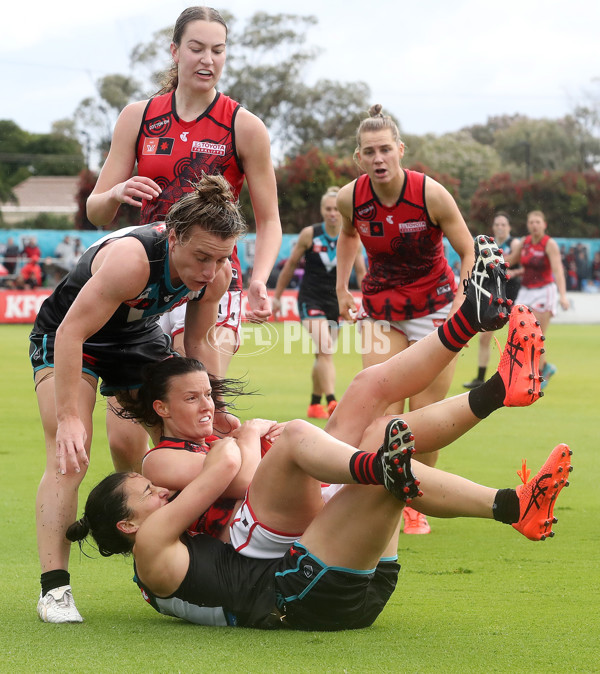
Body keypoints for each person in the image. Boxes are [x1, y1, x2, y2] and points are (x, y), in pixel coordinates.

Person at [66, 313, 571, 630]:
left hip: (340, 579)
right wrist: (241, 432)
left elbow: (229, 474)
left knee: (381, 436)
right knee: (314, 443)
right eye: (148, 493)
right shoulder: (152, 548)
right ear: (128, 525)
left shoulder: (163, 546)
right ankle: (386, 466)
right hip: (303, 592)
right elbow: (226, 470)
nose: (160, 492)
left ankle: (508, 465)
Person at [30, 174, 247, 624]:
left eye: (220, 258)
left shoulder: (217, 274)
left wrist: (214, 406)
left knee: (184, 437)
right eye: (200, 257)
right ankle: (55, 590)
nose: (208, 271)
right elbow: (72, 331)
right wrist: (70, 416)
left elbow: (198, 347)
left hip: (135, 338)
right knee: (71, 453)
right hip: (70, 336)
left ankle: (184, 546)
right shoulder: (132, 260)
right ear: (173, 236)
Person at [86, 5, 282, 369]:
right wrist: (115, 193)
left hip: (213, 280)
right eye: (197, 48)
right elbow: (96, 211)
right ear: (175, 51)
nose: (208, 59)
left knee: (194, 395)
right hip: (146, 278)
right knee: (129, 424)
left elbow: (269, 220)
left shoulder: (245, 126)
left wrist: (260, 280)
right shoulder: (138, 117)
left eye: (218, 50)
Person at [335, 104, 477, 534]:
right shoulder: (350, 198)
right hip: (381, 309)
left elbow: (468, 250)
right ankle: (379, 497)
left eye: (385, 150)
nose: (378, 159)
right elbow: (347, 235)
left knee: (425, 411)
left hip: (436, 308)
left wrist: (461, 306)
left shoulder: (430, 194)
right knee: (380, 408)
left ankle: (414, 500)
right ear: (359, 158)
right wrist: (343, 287)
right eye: (369, 152)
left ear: (399, 150)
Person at [272, 187, 366, 419]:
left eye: (336, 209)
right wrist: (276, 297)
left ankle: (315, 405)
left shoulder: (354, 237)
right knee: (325, 349)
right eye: (328, 209)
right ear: (322, 210)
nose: (333, 213)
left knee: (322, 355)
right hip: (310, 298)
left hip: (337, 302)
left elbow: (362, 273)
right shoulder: (309, 235)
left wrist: (366, 302)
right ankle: (333, 401)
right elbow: (290, 266)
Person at [506, 210, 569, 389]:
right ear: (528, 224)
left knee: (536, 336)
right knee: (520, 334)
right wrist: (493, 260)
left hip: (544, 291)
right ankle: (542, 368)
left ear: (544, 224)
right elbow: (511, 259)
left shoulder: (549, 244)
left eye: (537, 222)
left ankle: (538, 374)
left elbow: (558, 270)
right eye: (531, 222)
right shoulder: (525, 242)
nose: (534, 225)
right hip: (526, 291)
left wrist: (563, 296)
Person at [464, 212, 522, 388]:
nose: (500, 227)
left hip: (513, 294)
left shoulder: (514, 244)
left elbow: (515, 264)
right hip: (494, 294)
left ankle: (515, 376)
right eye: (497, 224)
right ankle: (481, 377)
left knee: (516, 337)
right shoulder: (490, 244)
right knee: (484, 337)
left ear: (509, 228)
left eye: (503, 224)